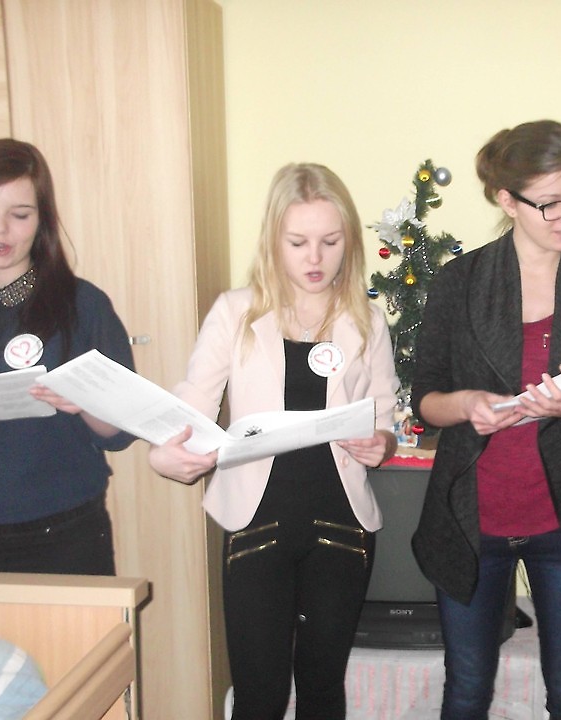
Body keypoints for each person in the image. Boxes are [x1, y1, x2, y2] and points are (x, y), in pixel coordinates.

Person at [148, 163, 399, 720]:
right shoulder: (235, 312)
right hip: (256, 521)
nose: (315, 258)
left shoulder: (366, 318)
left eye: (330, 241)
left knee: (322, 690)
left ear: (348, 241)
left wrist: (381, 441)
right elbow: (191, 403)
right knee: (259, 696)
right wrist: (168, 453)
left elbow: (384, 410)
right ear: (273, 241)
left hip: (342, 523)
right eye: (298, 242)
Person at [411, 120, 561, 720]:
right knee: (466, 690)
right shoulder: (460, 282)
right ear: (507, 201)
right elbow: (425, 399)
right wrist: (466, 405)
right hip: (473, 517)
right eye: (551, 203)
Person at [0, 138, 135, 575]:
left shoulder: (83, 304)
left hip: (64, 529)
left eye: (20, 215)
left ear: (42, 221)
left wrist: (85, 400)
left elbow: (118, 432)